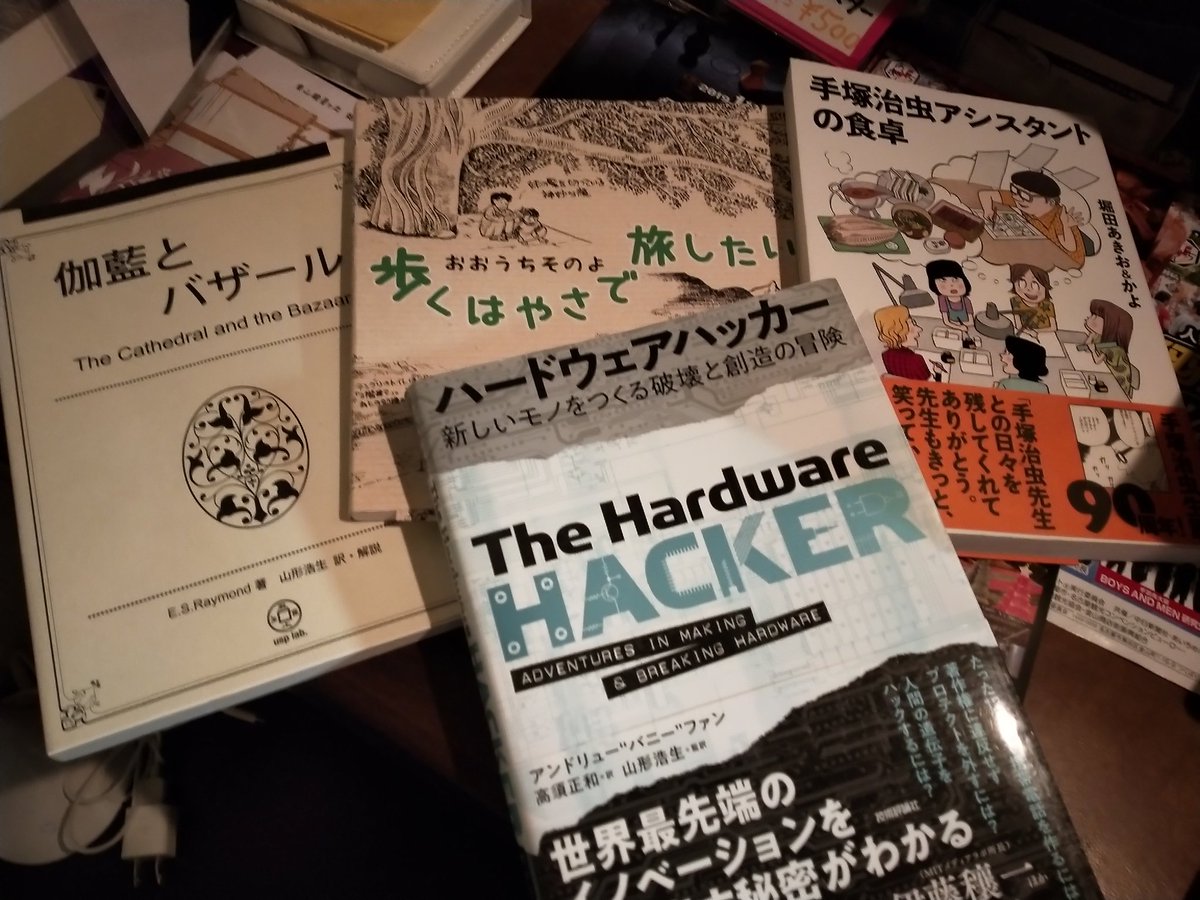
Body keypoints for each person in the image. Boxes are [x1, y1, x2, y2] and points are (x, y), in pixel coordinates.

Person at [979, 169, 1086, 268]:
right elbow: (985, 194)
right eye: (1014, 190)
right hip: (1038, 248)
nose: (1017, 198)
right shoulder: (1022, 200)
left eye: (1026, 195)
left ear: (1050, 202)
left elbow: (1069, 247)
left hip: (1066, 262)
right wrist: (988, 210)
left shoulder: (1060, 217)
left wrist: (1066, 226)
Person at [1080, 298, 1140, 398]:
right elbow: (1087, 345)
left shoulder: (1111, 345)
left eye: (1095, 317)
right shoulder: (1099, 336)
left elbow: (1097, 360)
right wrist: (1091, 334)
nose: (1090, 319)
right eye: (1092, 315)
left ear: (1110, 325)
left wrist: (1093, 350)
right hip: (1106, 371)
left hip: (1117, 382)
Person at [874, 306, 946, 381]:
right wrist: (938, 373)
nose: (920, 329)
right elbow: (931, 387)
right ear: (900, 332)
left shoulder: (886, 355)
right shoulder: (916, 360)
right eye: (912, 327)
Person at [926, 259, 974, 343]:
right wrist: (958, 327)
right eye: (943, 280)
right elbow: (946, 321)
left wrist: (961, 326)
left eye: (955, 279)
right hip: (951, 328)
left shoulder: (966, 301)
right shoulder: (942, 300)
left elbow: (971, 322)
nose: (951, 285)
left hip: (966, 329)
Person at [1007, 262, 1056, 332]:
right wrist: (1029, 333)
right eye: (1022, 282)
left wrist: (1035, 332)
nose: (1028, 289)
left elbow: (1053, 327)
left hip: (1047, 335)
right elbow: (1018, 326)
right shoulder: (1016, 301)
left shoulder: (1048, 305)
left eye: (1035, 284)